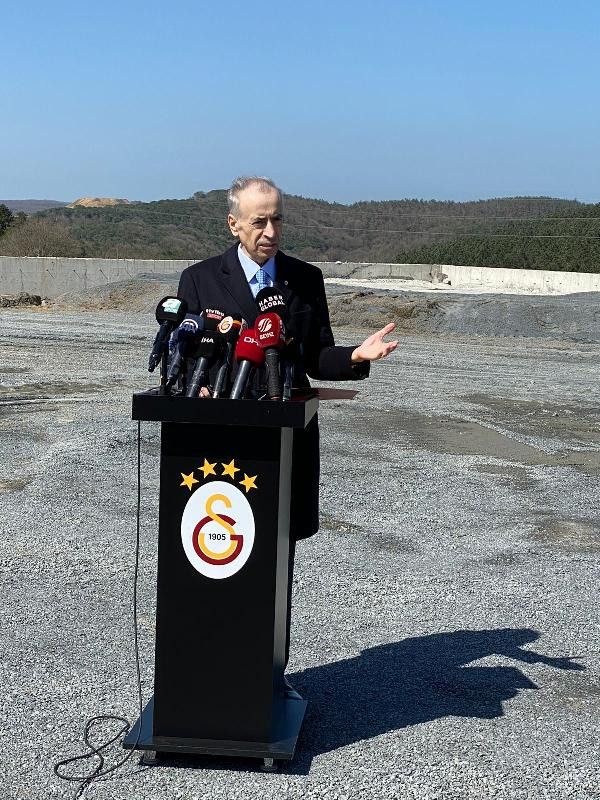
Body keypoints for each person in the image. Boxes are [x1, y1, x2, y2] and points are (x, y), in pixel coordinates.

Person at [177, 176, 397, 687]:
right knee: (213, 554)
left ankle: (267, 676)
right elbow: (186, 353)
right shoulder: (200, 279)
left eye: (277, 219)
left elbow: (316, 355)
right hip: (218, 449)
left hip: (282, 445)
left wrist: (356, 357)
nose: (271, 230)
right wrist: (197, 387)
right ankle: (207, 676)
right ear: (234, 224)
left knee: (275, 557)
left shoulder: (303, 278)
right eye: (259, 221)